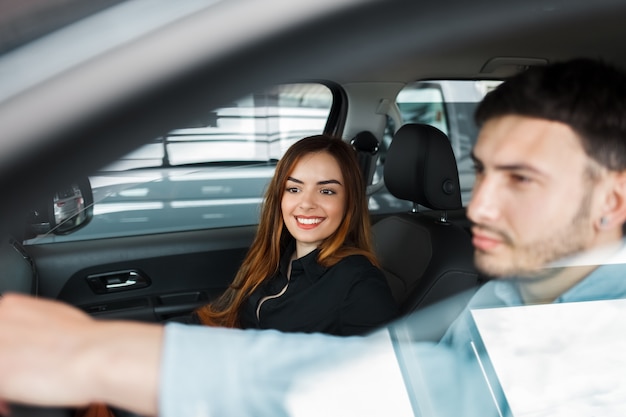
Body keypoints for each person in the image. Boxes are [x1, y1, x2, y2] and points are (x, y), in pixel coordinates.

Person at [1, 58, 626, 417]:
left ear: (611, 200)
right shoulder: (515, 295)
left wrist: (96, 355)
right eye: (482, 170)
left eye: (521, 178)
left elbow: (424, 395)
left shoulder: (605, 329)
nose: (480, 204)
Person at [191, 134, 399, 335]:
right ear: (279, 196)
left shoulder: (360, 284)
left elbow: (380, 368)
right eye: (294, 189)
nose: (307, 203)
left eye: (326, 191)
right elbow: (218, 318)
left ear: (349, 202)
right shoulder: (276, 256)